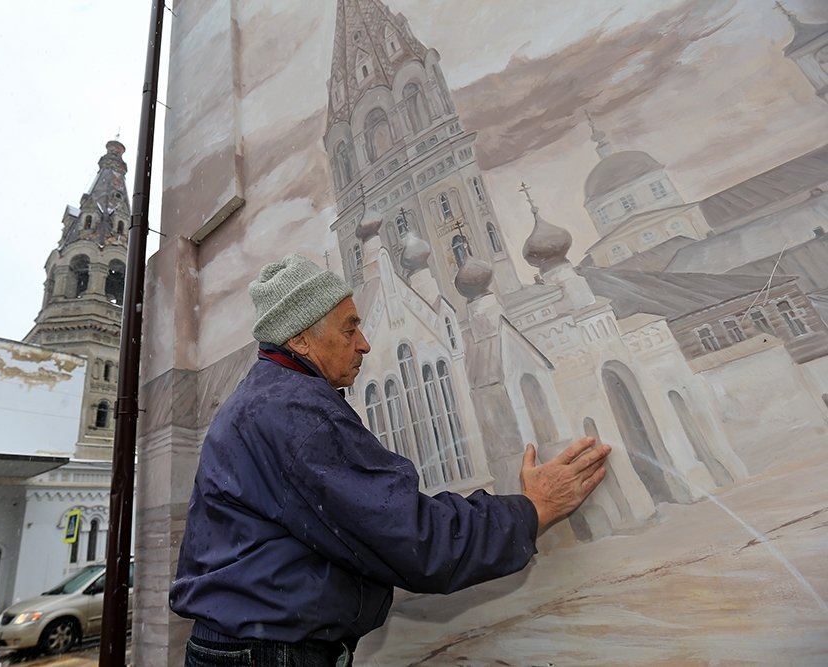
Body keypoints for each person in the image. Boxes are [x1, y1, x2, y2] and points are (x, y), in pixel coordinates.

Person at [170, 254, 611, 667]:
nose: (363, 344)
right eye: (349, 329)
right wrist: (531, 510)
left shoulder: (266, 397)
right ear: (301, 338)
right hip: (269, 654)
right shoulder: (295, 412)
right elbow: (411, 534)